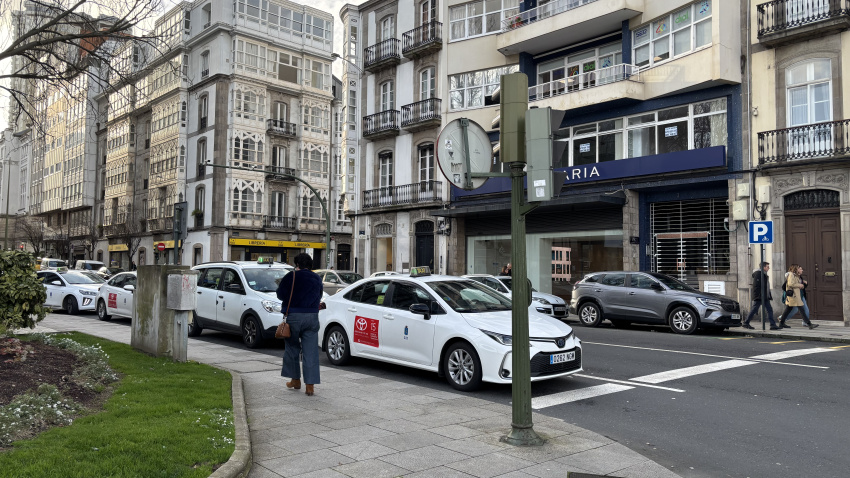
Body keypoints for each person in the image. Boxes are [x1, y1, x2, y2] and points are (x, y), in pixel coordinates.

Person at [276, 253, 324, 396]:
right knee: (311, 351)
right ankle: (310, 386)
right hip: (312, 316)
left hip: (294, 316)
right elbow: (319, 295)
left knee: (292, 348)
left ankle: (295, 380)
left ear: (297, 264)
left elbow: (280, 294)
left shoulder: (291, 276)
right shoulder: (316, 278)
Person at [778, 265, 818, 330]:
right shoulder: (791, 275)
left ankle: (781, 323)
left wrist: (803, 284)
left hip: (796, 295)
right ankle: (809, 324)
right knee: (801, 310)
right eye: (800, 269)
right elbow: (790, 284)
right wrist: (800, 285)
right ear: (796, 269)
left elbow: (794, 283)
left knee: (788, 310)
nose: (802, 270)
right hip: (794, 296)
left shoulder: (796, 276)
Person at [743, 262, 779, 330]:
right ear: (763, 267)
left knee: (769, 310)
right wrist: (759, 295)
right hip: (760, 296)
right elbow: (757, 286)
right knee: (754, 309)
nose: (769, 268)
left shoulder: (764, 274)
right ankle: (746, 323)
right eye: (767, 267)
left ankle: (772, 325)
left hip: (764, 296)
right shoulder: (759, 274)